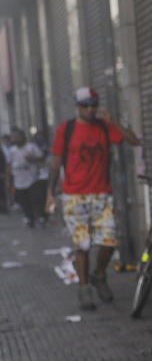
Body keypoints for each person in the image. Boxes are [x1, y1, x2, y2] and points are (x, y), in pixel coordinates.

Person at [47, 87, 140, 311]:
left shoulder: (104, 127)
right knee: (83, 246)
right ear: (77, 107)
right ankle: (84, 289)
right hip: (74, 196)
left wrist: (113, 121)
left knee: (109, 242)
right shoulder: (66, 129)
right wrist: (50, 193)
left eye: (93, 105)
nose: (90, 109)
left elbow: (133, 141)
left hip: (101, 195)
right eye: (86, 105)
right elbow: (56, 162)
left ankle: (99, 275)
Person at [5, 127, 45, 227]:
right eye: (13, 137)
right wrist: (8, 179)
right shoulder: (12, 150)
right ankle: (29, 218)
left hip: (32, 179)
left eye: (17, 136)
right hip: (18, 181)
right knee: (23, 201)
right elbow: (8, 165)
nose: (15, 139)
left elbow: (41, 159)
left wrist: (33, 158)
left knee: (35, 200)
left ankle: (40, 216)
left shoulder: (31, 147)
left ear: (22, 136)